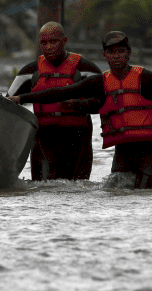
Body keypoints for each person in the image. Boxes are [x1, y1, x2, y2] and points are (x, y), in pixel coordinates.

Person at [10, 31, 152, 189]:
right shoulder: (100, 82)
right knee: (113, 191)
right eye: (111, 52)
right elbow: (59, 93)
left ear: (128, 54)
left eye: (120, 51)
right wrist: (21, 98)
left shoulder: (146, 79)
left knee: (143, 192)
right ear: (105, 56)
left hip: (150, 149)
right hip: (123, 150)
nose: (116, 56)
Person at [8, 22, 102, 181]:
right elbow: (8, 105)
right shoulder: (29, 72)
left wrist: (77, 105)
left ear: (64, 41)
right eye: (44, 43)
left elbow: (102, 103)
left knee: (76, 188)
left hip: (78, 138)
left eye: (54, 42)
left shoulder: (87, 68)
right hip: (44, 138)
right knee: (43, 188)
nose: (49, 46)